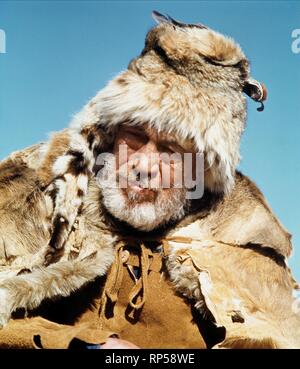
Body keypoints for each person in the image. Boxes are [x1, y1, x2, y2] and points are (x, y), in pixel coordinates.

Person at [0, 12, 299, 349]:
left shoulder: (242, 239)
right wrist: (77, 344)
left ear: (201, 168)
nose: (143, 164)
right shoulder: (40, 195)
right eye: (135, 136)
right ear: (111, 134)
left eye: (171, 149)